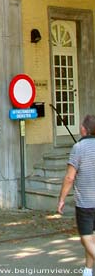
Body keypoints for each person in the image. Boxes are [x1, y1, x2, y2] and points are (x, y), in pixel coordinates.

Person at [58, 114, 95, 276]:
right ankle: (87, 271)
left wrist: (61, 200)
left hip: (85, 203)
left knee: (85, 238)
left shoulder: (78, 148)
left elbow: (69, 177)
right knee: (92, 240)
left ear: (83, 129)